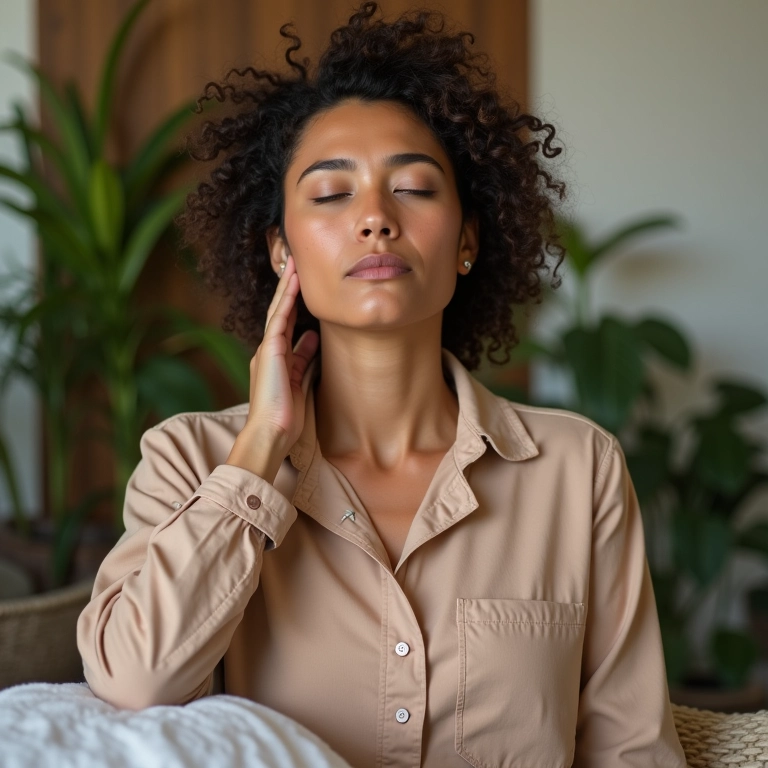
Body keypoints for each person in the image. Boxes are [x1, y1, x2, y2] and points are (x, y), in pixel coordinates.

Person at [76, 3, 688, 766]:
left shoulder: (579, 470)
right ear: (281, 251)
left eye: (415, 188)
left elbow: (634, 751)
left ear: (467, 241)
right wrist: (260, 451)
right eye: (331, 194)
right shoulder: (190, 462)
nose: (374, 218)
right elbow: (133, 682)